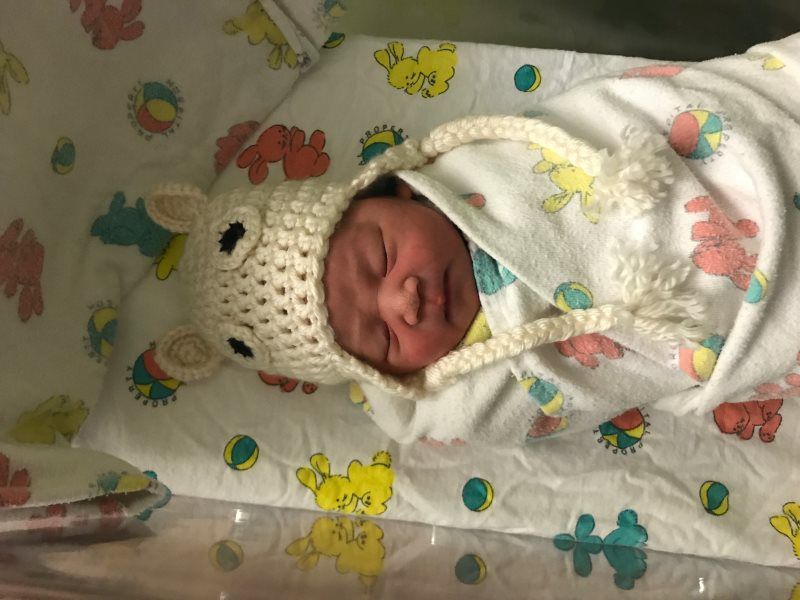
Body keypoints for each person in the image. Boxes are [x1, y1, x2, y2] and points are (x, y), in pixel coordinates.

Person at [144, 33, 800, 446]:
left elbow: (613, 115)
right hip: (750, 326)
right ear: (385, 376)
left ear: (392, 190)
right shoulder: (454, 396)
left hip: (732, 153)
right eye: (382, 339)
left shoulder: (484, 162)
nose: (403, 301)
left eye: (378, 260)